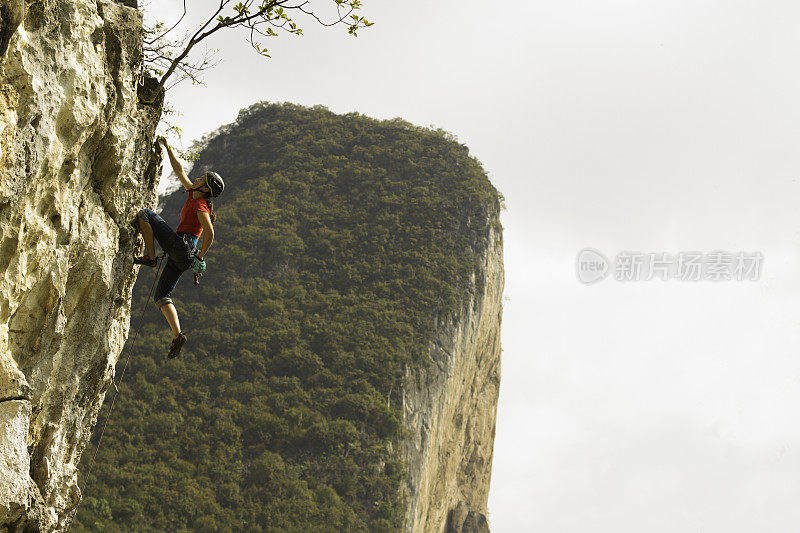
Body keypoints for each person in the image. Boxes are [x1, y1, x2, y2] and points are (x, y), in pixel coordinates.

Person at [133, 136, 224, 358]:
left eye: (202, 178)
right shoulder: (194, 193)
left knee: (145, 215)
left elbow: (210, 233)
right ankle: (177, 334)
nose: (197, 177)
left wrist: (201, 256)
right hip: (184, 256)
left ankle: (151, 257)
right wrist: (167, 147)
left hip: (182, 246)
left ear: (205, 188)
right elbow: (179, 171)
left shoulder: (200, 204)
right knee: (162, 295)